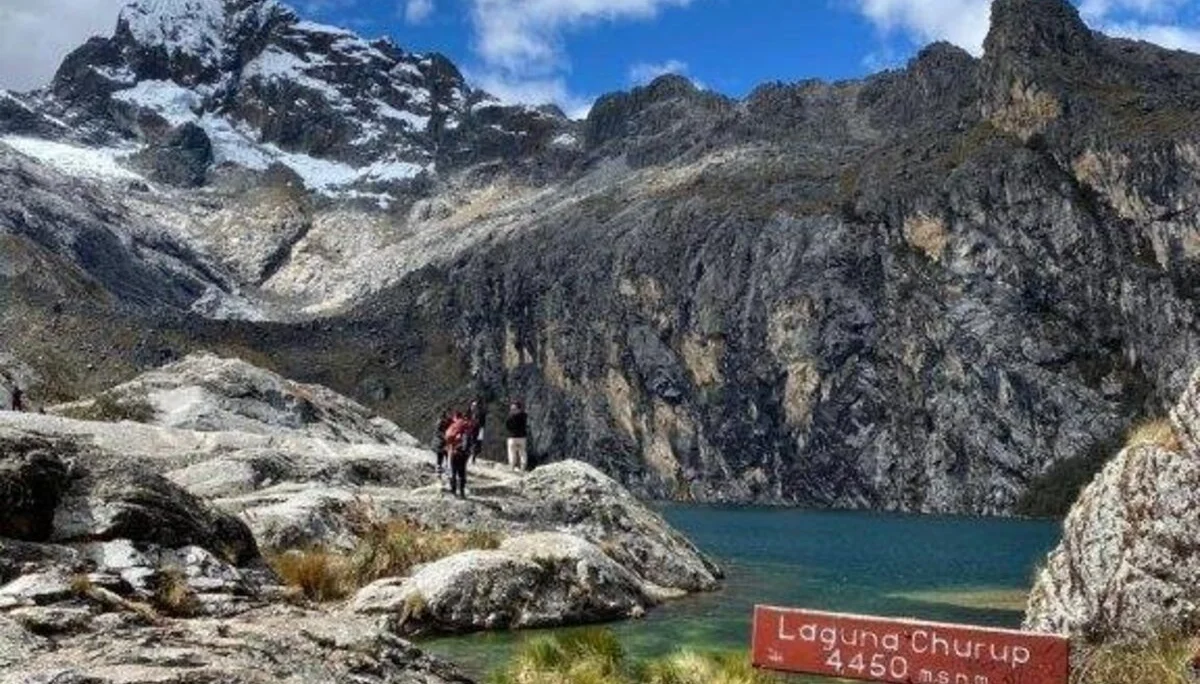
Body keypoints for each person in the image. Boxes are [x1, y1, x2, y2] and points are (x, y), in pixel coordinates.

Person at [445, 411, 474, 498]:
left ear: (456, 417)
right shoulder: (468, 426)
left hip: (455, 451)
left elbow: (448, 437)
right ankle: (462, 492)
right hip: (465, 453)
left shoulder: (455, 425)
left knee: (453, 470)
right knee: (462, 471)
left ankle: (453, 491)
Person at [505, 401, 529, 471]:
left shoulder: (510, 417)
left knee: (512, 452)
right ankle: (523, 467)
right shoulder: (524, 416)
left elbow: (507, 425)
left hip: (512, 437)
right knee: (522, 452)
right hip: (522, 437)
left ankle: (512, 467)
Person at [433, 410, 452, 476]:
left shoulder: (447, 421)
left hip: (444, 443)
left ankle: (445, 471)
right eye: (448, 414)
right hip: (440, 442)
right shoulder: (440, 422)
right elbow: (437, 432)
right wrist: (445, 436)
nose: (450, 415)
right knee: (440, 457)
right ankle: (439, 472)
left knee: (446, 457)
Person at [468, 399, 487, 464]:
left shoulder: (481, 412)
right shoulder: (469, 412)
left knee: (477, 444)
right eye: (472, 405)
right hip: (470, 430)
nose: (473, 407)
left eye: (475, 405)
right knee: (470, 443)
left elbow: (483, 423)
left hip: (478, 429)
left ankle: (473, 458)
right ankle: (471, 457)